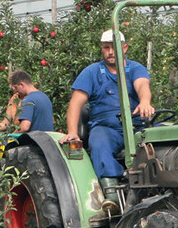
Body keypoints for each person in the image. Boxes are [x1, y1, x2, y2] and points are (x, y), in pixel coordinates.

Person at [60, 30, 153, 211]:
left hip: (137, 126)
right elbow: (75, 104)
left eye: (114, 47)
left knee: (166, 136)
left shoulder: (135, 69)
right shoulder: (92, 72)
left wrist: (144, 102)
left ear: (124, 48)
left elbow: (142, 85)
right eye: (106, 48)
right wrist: (72, 132)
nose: (110, 52)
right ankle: (112, 195)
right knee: (99, 143)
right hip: (107, 128)